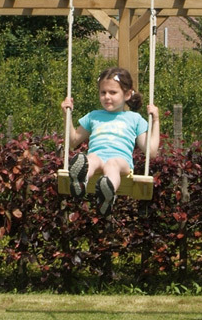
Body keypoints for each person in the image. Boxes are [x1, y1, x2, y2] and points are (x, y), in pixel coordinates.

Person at [61, 66, 160, 216]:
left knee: (112, 164)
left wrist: (156, 120)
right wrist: (66, 115)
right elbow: (73, 140)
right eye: (103, 92)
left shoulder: (134, 119)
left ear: (127, 94)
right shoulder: (93, 116)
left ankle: (107, 195)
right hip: (98, 156)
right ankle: (81, 182)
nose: (107, 96)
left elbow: (151, 151)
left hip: (121, 161)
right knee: (91, 159)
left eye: (113, 92)